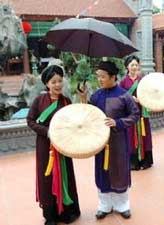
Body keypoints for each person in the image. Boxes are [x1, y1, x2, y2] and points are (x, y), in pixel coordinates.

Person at [27, 65, 80, 225]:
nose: (57, 85)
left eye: (59, 81)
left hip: (63, 145)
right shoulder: (39, 101)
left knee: (65, 175)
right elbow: (30, 121)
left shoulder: (66, 101)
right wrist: (47, 132)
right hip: (45, 145)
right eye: (53, 82)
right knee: (47, 177)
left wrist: (82, 97)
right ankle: (50, 215)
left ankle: (65, 211)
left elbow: (75, 120)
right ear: (46, 84)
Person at [88, 61, 140, 219]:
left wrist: (117, 123)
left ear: (113, 77)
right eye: (98, 77)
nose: (100, 80)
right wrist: (84, 98)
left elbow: (135, 115)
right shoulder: (96, 96)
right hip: (101, 142)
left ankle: (122, 205)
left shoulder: (124, 95)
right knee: (102, 171)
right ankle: (104, 205)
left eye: (103, 77)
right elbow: (88, 114)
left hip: (118, 141)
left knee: (119, 170)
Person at [119, 55, 153, 170]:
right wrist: (130, 99)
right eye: (132, 65)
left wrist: (141, 99)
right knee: (130, 136)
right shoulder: (123, 82)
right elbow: (119, 96)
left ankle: (145, 161)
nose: (134, 67)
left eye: (136, 65)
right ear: (127, 66)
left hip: (142, 112)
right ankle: (133, 162)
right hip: (129, 113)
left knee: (144, 135)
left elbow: (148, 93)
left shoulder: (142, 80)